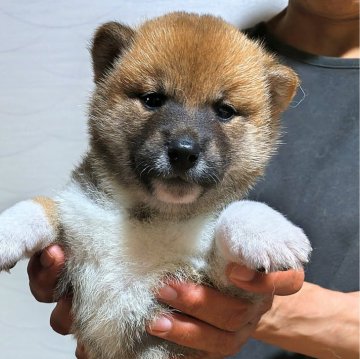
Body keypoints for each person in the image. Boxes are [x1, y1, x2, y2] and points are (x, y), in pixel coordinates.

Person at [28, 0, 359, 358]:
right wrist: (93, 268)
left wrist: (251, 302)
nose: (186, 142)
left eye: (224, 111)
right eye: (154, 98)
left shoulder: (252, 75)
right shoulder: (188, 44)